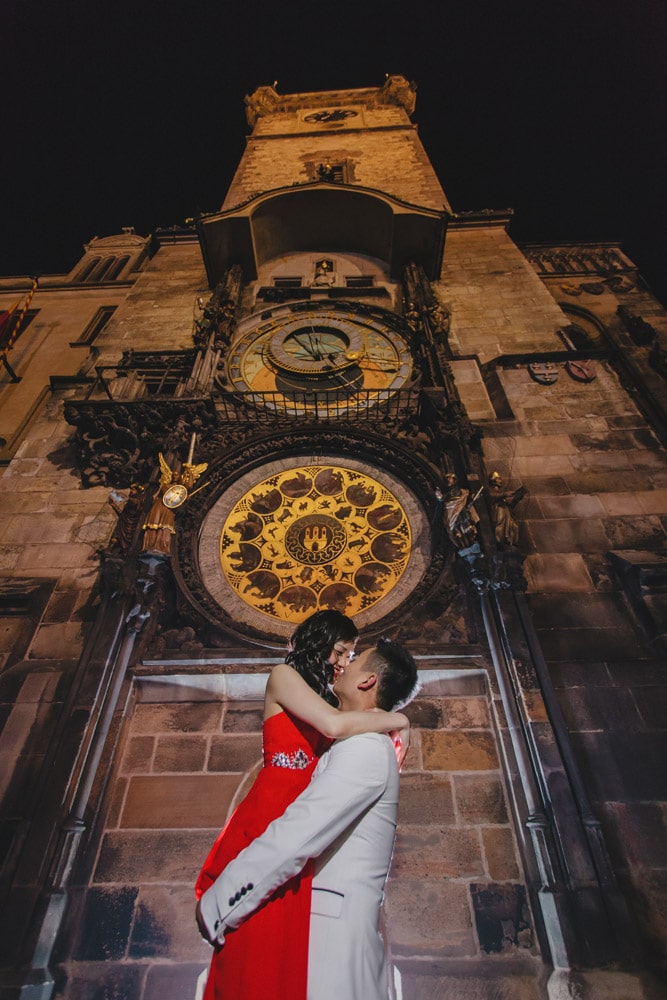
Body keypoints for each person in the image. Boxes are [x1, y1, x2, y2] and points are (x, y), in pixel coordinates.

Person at [195, 612, 410, 1000]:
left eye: (353, 657)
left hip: (295, 837)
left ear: (367, 680)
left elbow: (304, 828)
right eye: (343, 651)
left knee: (265, 967)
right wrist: (401, 719)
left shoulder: (365, 745)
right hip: (274, 812)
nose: (345, 662)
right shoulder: (287, 678)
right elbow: (331, 725)